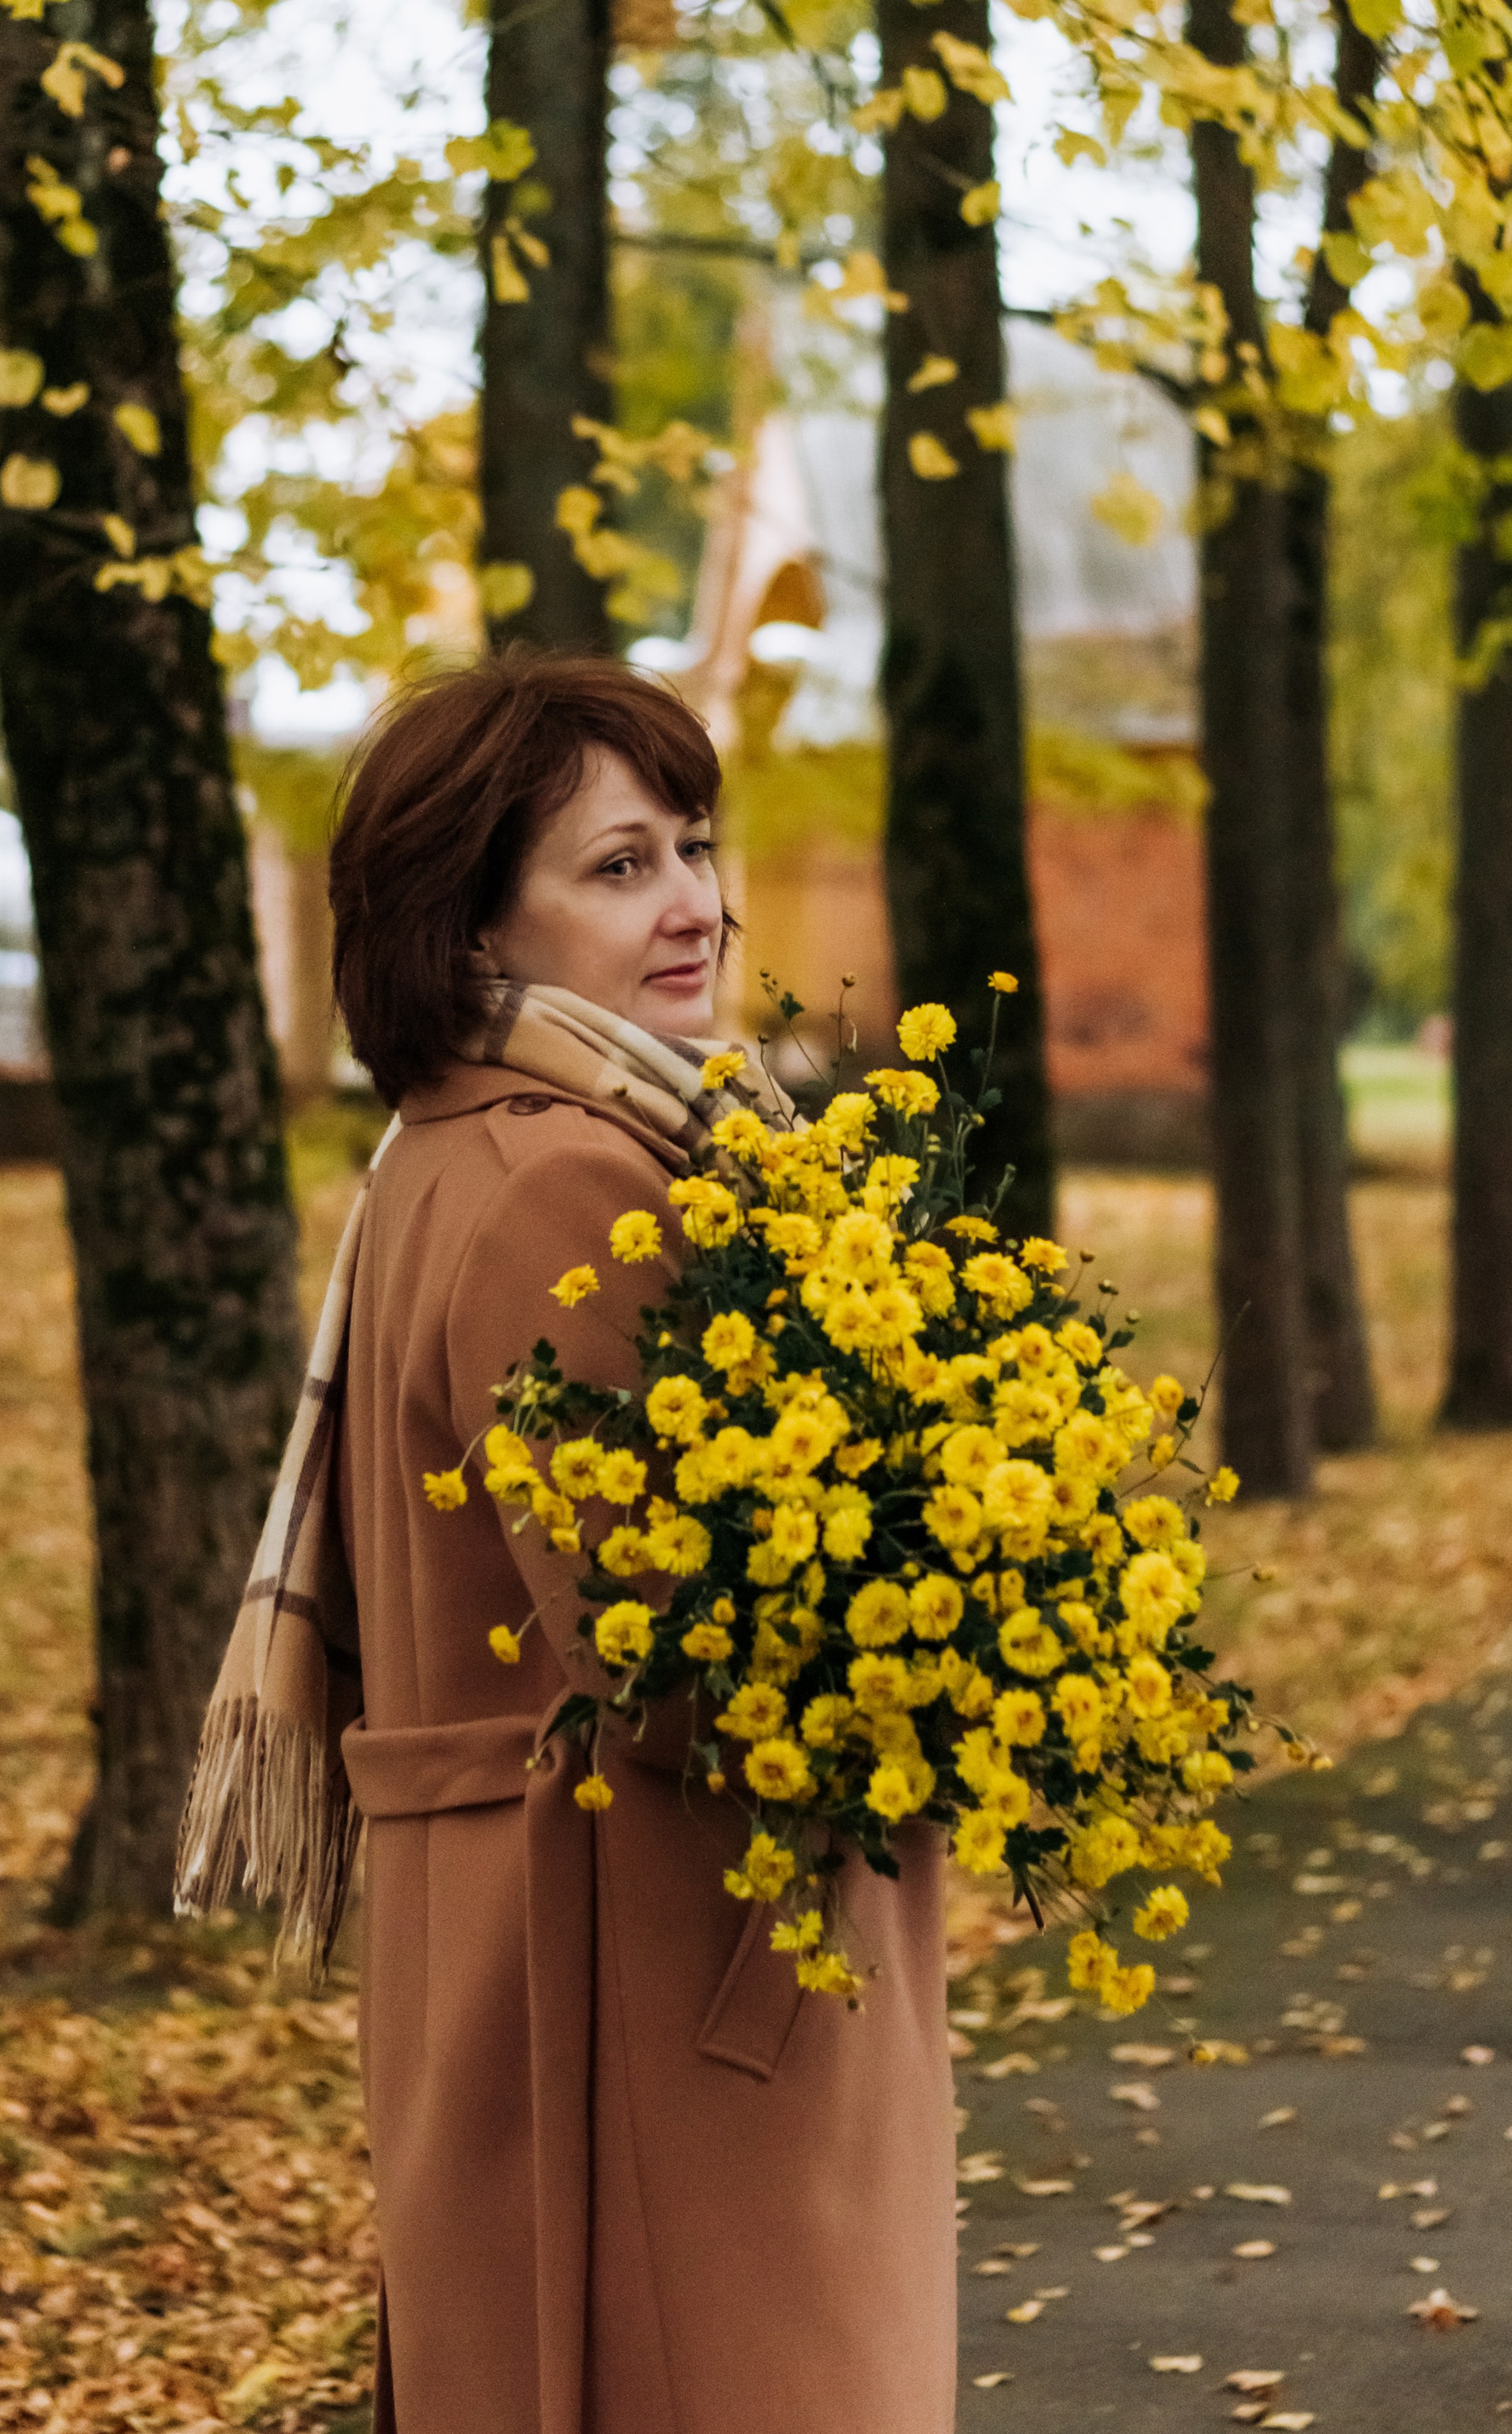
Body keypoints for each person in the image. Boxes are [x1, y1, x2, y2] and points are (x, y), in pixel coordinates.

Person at [175, 650, 956, 2434]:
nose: (695, 903)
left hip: (551, 1954)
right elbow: (672, 1647)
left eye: (691, 846)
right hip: (655, 1970)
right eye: (619, 868)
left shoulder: (447, 1152)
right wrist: (957, 1639)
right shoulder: (570, 1182)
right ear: (472, 937)